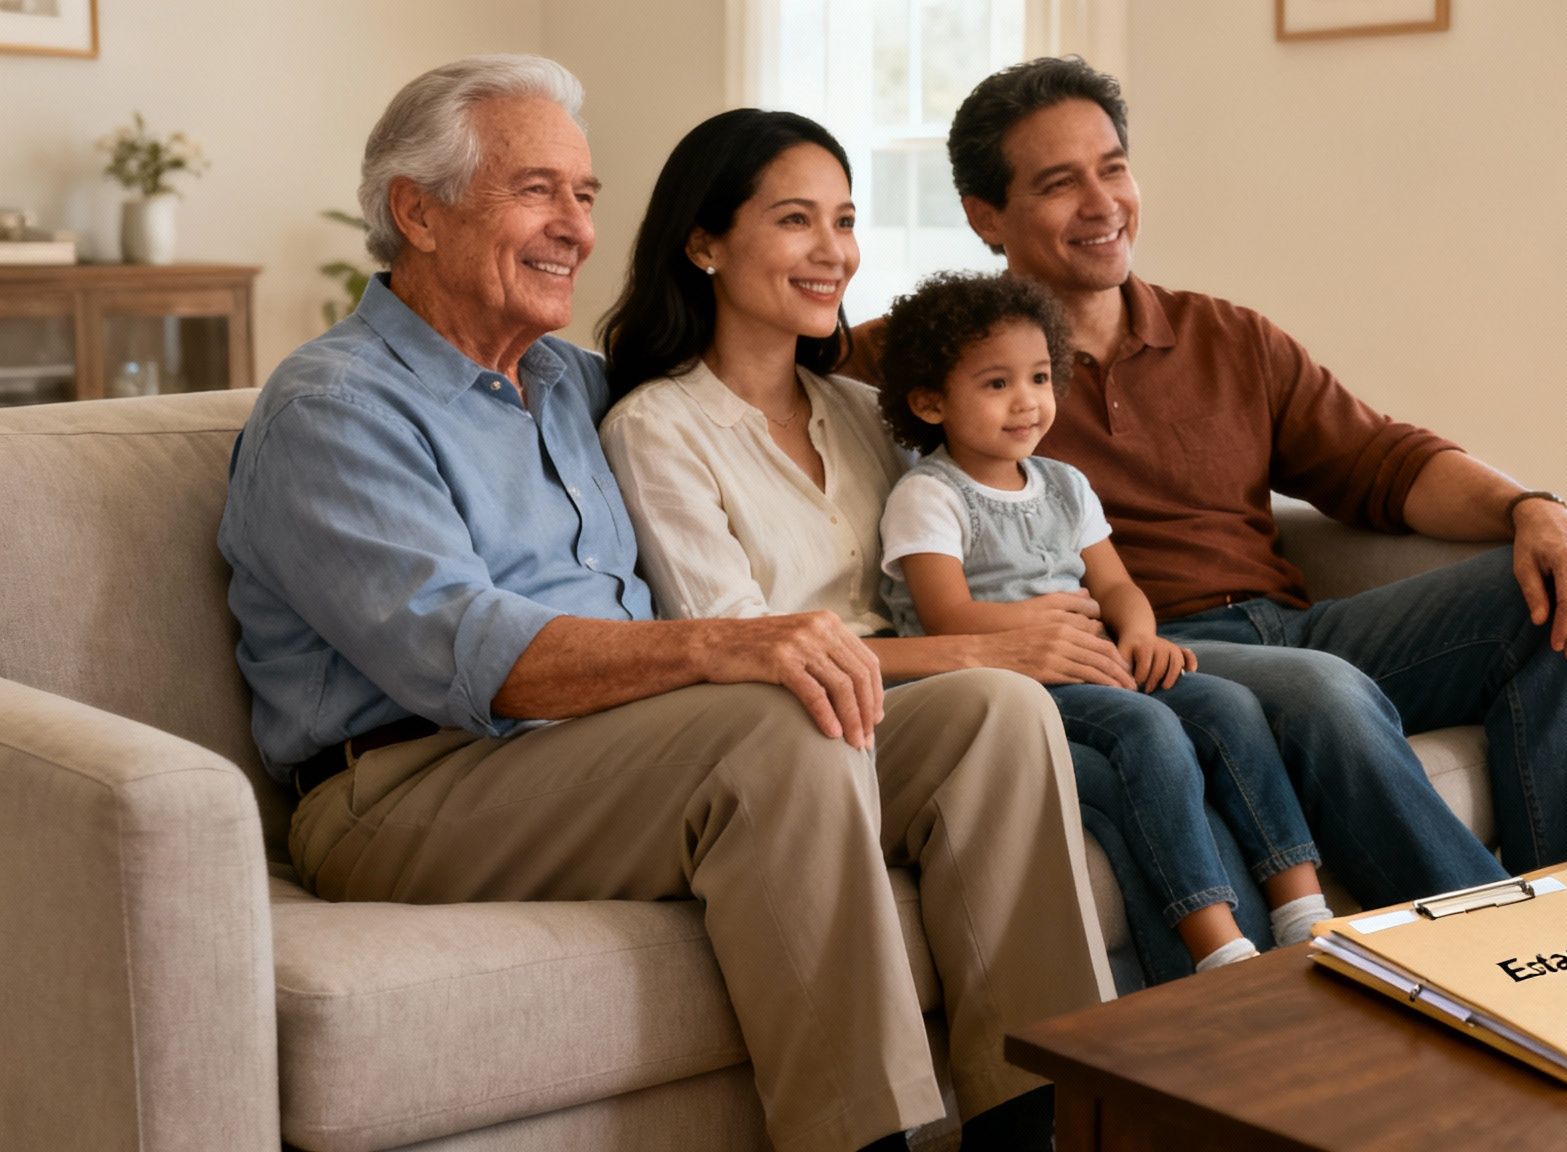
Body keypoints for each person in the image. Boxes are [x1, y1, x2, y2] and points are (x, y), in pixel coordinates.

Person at [216, 57, 1109, 1152]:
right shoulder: (334, 406)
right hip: (406, 784)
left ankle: (1045, 1128)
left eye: (585, 198)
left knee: (993, 714)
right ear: (419, 212)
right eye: (536, 191)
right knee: (776, 727)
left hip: (601, 752)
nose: (575, 229)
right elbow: (470, 652)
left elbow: (745, 384)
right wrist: (724, 645)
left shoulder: (565, 382)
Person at [840, 56, 1567, 916]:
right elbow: (770, 362)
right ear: (986, 216)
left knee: (1558, 592)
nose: (1103, 203)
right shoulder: (931, 360)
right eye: (1061, 183)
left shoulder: (1226, 337)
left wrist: (1534, 511)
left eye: (1113, 168)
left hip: (1293, 625)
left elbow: (1385, 463)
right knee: (1325, 692)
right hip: (1156, 653)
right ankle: (1507, 946)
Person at [593, 109, 1289, 991]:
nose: (833, 251)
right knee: (1120, 764)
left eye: (844, 221)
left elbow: (972, 511)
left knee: (1186, 740)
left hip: (956, 685)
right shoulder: (656, 427)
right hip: (814, 723)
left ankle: (1260, 1027)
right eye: (795, 219)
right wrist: (991, 647)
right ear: (704, 243)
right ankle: (1198, 1048)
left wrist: (1049, 614)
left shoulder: (857, 406)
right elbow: (743, 646)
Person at [872, 270, 1333, 971]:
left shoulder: (1065, 484)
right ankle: (1217, 943)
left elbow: (1115, 584)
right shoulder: (929, 495)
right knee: (1147, 729)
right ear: (931, 403)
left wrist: (1142, 633)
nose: (1025, 402)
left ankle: (1304, 910)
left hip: (1093, 660)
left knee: (1232, 707)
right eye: (996, 385)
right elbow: (946, 617)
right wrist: (1035, 627)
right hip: (1011, 683)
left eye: (1038, 378)